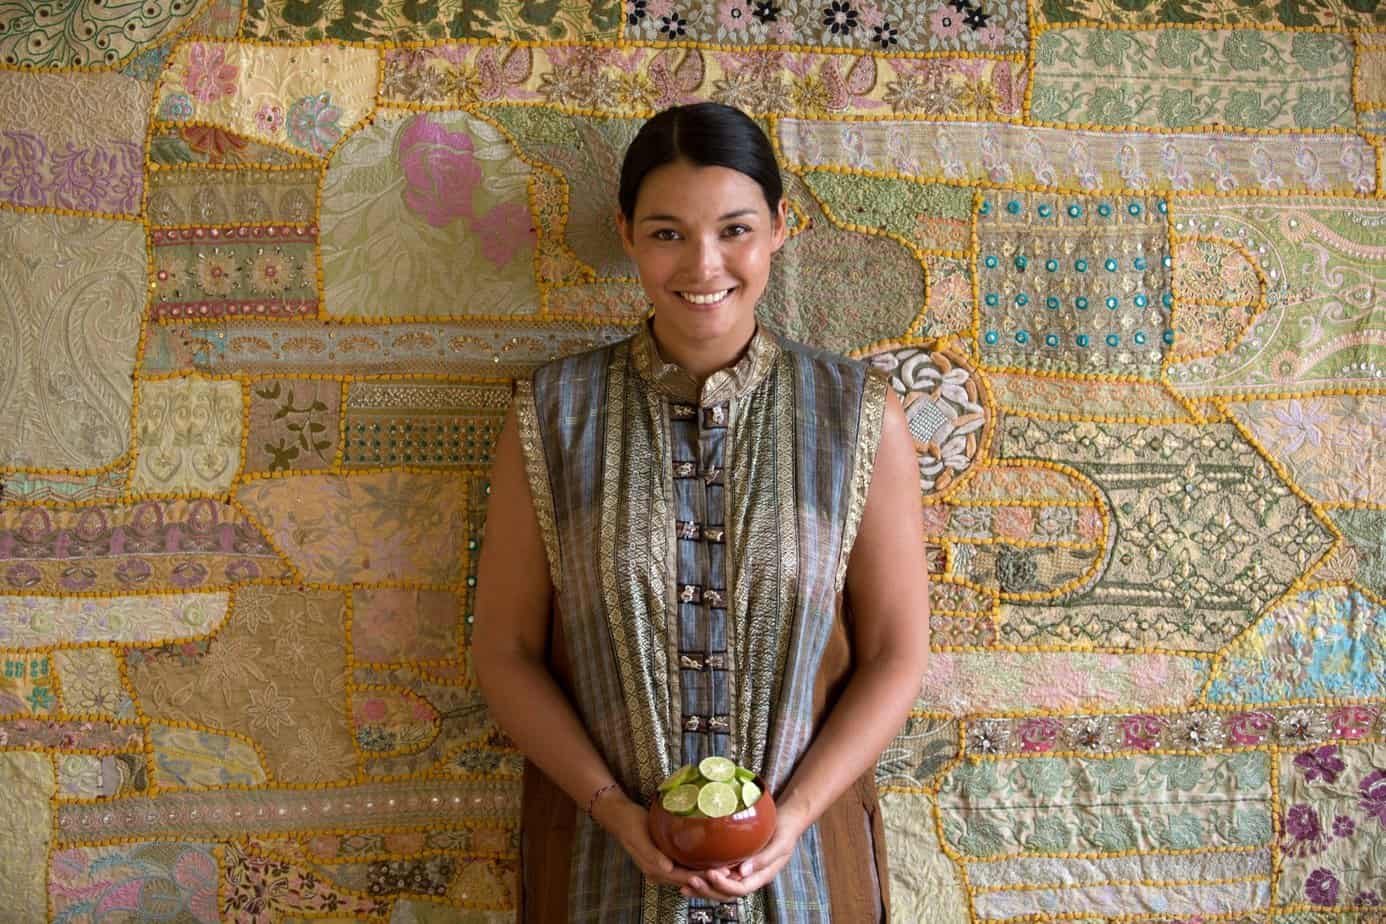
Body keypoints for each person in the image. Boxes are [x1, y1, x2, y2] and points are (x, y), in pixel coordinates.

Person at [472, 101, 931, 923]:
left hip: (808, 875)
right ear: (626, 234)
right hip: (603, 872)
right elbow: (505, 653)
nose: (703, 263)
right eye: (667, 233)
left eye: (735, 229)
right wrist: (615, 811)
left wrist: (793, 818)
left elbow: (896, 654)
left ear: (780, 227)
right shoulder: (553, 413)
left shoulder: (856, 414)